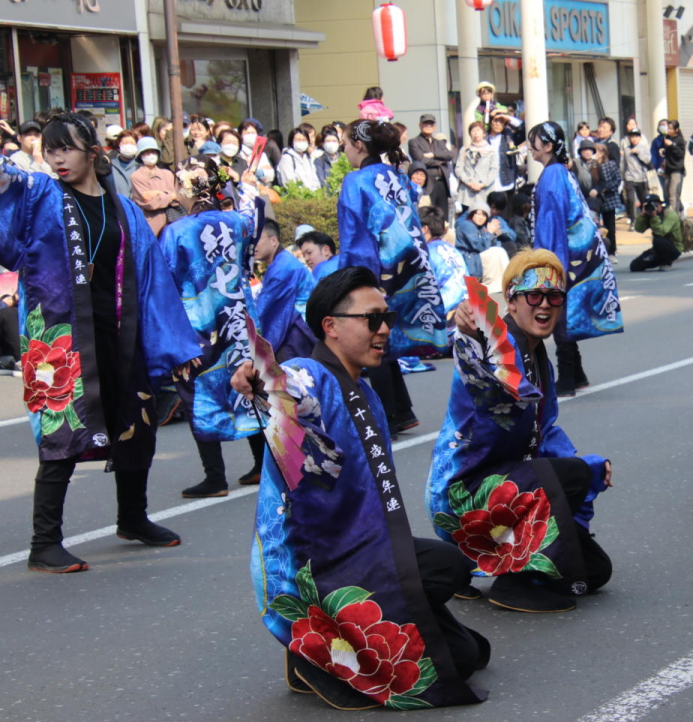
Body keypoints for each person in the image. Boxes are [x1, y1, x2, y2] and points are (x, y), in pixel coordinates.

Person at [233, 267, 488, 710]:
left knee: (471, 652)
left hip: (361, 546)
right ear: (330, 326)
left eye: (386, 317)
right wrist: (262, 381)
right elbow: (292, 387)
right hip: (312, 563)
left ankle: (349, 642)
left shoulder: (365, 393)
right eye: (372, 319)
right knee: (449, 593)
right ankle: (310, 653)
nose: (384, 328)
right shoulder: (310, 372)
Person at [0, 113, 203, 573]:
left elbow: (152, 281)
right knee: (61, 433)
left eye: (66, 148)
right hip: (60, 342)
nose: (56, 158)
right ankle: (43, 543)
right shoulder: (39, 196)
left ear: (93, 151)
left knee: (137, 421)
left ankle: (132, 517)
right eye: (49, 150)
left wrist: (173, 345)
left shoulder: (125, 210)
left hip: (120, 335)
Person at [427, 250, 614, 612]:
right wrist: (466, 324)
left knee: (594, 571)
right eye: (534, 296)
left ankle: (471, 562)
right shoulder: (494, 344)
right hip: (466, 492)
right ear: (511, 302)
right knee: (571, 478)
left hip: (515, 488)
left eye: (554, 297)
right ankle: (513, 583)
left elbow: (546, 431)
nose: (544, 305)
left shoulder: (540, 359)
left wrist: (583, 466)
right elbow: (474, 344)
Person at [159, 159, 268, 496]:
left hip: (198, 328)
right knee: (249, 390)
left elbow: (165, 285)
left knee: (199, 394)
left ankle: (215, 476)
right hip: (239, 322)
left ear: (185, 190)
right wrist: (245, 184)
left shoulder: (176, 231)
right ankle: (264, 465)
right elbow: (256, 214)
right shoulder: (238, 221)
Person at [339, 118, 447, 434]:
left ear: (358, 145)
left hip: (378, 270)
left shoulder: (356, 181)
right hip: (410, 265)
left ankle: (389, 413)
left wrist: (351, 281)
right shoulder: (396, 176)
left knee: (369, 340)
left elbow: (355, 238)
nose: (344, 149)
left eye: (346, 143)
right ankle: (401, 409)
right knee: (383, 340)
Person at [527, 121, 623, 398]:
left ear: (547, 146)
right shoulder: (560, 172)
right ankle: (576, 374)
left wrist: (547, 264)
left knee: (557, 315)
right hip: (578, 254)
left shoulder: (553, 176)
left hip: (564, 255)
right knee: (562, 313)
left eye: (534, 142)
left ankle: (567, 378)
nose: (530, 148)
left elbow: (552, 225)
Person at [255, 219, 318, 362]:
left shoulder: (282, 268)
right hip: (301, 327)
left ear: (274, 240)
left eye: (258, 239)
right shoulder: (281, 262)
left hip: (298, 331)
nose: (254, 245)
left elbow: (265, 308)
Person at [419, 206, 468, 318]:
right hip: (469, 308)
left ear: (424, 229)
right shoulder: (454, 250)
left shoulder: (426, 253)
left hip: (448, 313)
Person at [455, 199, 510, 293]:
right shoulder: (466, 225)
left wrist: (493, 233)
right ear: (471, 214)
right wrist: (489, 233)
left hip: (475, 258)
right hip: (467, 259)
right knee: (497, 252)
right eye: (478, 214)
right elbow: (479, 246)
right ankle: (493, 285)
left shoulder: (481, 228)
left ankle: (505, 282)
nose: (481, 217)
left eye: (484, 215)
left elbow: (493, 244)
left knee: (500, 250)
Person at [409, 114, 456, 217]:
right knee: (428, 213)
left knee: (443, 215)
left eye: (431, 124)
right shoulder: (414, 142)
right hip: (428, 182)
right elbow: (420, 159)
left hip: (442, 182)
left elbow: (450, 155)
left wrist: (434, 155)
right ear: (420, 125)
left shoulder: (439, 142)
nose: (429, 126)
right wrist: (439, 162)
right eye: (426, 124)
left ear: (435, 127)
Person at [129, 137, 177, 236]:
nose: (151, 155)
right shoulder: (137, 176)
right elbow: (151, 204)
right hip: (150, 223)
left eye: (153, 152)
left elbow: (176, 199)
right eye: (147, 152)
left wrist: (158, 193)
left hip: (171, 221)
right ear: (141, 155)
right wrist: (169, 195)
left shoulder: (167, 174)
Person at [630, 193, 682, 272]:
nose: (651, 207)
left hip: (674, 248)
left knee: (658, 239)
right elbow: (639, 229)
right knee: (635, 266)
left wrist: (654, 217)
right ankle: (660, 260)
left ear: (660, 204)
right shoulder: (649, 214)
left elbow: (661, 232)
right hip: (658, 249)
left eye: (654, 204)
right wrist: (642, 215)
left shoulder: (670, 215)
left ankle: (666, 263)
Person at [455, 120, 498, 210]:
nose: (476, 133)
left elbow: (494, 170)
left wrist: (482, 184)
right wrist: (469, 182)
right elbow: (458, 168)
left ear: (484, 133)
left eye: (478, 130)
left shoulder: (491, 150)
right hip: (467, 192)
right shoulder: (465, 149)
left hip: (485, 191)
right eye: (473, 130)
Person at [621, 127, 652, 226]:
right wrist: (623, 177)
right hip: (630, 177)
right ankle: (633, 221)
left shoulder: (644, 147)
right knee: (630, 199)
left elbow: (647, 160)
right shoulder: (626, 150)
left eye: (636, 136)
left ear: (640, 137)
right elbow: (623, 164)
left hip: (642, 178)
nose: (634, 139)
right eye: (632, 136)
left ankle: (646, 219)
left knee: (644, 200)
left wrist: (638, 152)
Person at [278, 127, 321, 191]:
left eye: (304, 140)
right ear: (292, 141)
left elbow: (315, 179)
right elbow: (288, 182)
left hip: (311, 196)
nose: (301, 142)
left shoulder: (308, 158)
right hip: (296, 197)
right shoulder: (287, 158)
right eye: (298, 140)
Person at [660, 120, 687, 213]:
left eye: (671, 128)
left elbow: (680, 154)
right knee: (667, 191)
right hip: (668, 169)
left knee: (673, 194)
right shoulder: (667, 138)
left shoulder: (679, 140)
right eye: (668, 128)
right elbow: (668, 153)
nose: (669, 130)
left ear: (676, 129)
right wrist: (663, 151)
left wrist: (672, 145)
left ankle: (675, 216)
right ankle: (681, 208)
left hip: (677, 170)